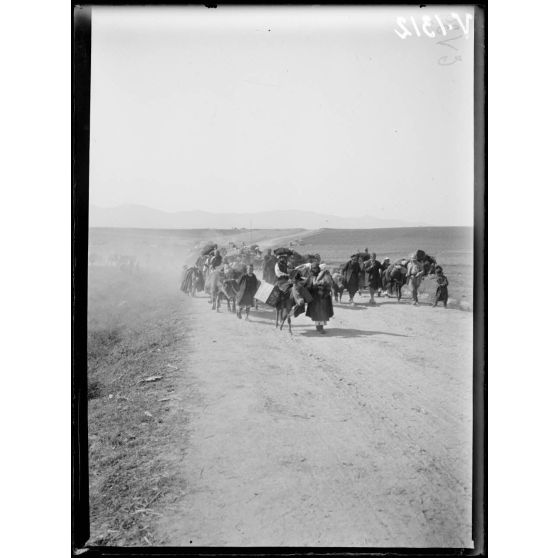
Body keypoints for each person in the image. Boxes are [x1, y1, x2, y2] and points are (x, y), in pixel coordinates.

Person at [305, 262, 334, 333]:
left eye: (316, 268)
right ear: (311, 269)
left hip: (324, 297)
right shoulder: (310, 276)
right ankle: (319, 328)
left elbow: (330, 283)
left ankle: (321, 327)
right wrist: (313, 286)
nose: (315, 269)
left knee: (323, 313)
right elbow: (308, 286)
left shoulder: (324, 274)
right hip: (315, 298)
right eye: (313, 268)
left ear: (318, 268)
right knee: (316, 313)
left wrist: (323, 285)